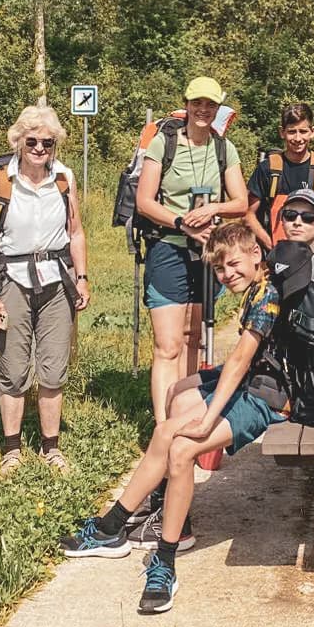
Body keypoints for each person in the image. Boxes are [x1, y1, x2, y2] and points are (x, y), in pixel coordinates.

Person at [58, 221, 306, 614]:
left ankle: (166, 559)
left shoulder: (268, 297)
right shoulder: (260, 283)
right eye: (220, 269)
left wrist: (208, 418)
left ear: (257, 255)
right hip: (253, 379)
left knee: (181, 448)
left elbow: (242, 359)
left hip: (267, 397)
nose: (227, 274)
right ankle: (122, 522)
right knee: (176, 394)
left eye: (233, 264)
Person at [0, 105, 90, 477]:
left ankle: (50, 448)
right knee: (12, 369)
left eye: (48, 142)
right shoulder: (0, 182)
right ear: (19, 142)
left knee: (54, 369)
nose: (40, 148)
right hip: (12, 280)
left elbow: (76, 232)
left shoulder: (64, 178)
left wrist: (83, 277)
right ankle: (12, 449)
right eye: (33, 141)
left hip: (57, 281)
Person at [133, 77, 249, 426]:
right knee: (168, 345)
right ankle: (163, 425)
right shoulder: (162, 144)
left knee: (193, 338)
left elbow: (241, 202)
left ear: (217, 110)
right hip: (168, 248)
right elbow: (144, 202)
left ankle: (183, 413)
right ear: (186, 104)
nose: (203, 110)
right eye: (197, 103)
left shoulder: (224, 148)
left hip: (205, 255)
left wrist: (213, 211)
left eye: (210, 105)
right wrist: (182, 221)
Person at [244, 102, 314, 249]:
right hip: (272, 252)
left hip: (311, 254)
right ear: (282, 132)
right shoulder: (267, 169)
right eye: (291, 131)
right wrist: (270, 245)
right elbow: (249, 214)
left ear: (313, 131)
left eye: (303, 131)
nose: (297, 138)